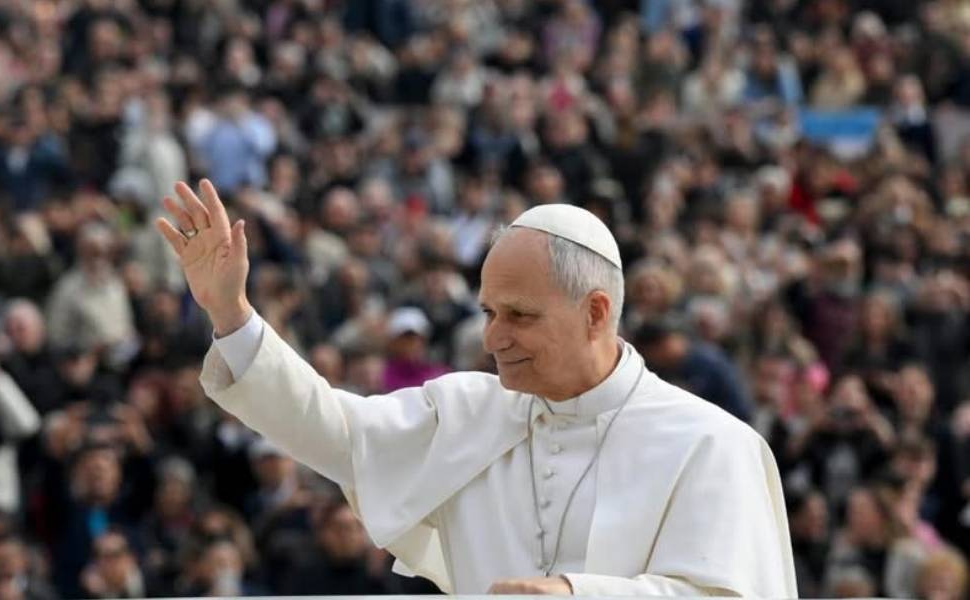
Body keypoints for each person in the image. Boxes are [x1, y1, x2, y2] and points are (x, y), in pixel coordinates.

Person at [156, 179, 797, 595]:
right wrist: (231, 315)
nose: (493, 338)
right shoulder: (467, 411)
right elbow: (334, 432)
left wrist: (579, 593)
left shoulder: (710, 444)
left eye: (520, 315)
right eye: (489, 313)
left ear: (596, 313)